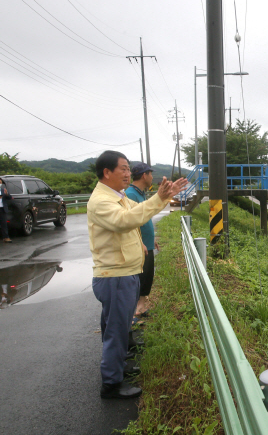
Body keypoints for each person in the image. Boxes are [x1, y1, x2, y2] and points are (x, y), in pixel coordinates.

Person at [88, 150, 186, 399]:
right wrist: (159, 199)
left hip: (124, 272)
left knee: (115, 326)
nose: (127, 173)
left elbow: (139, 211)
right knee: (117, 330)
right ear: (106, 172)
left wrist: (164, 196)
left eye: (128, 168)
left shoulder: (118, 197)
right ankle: (111, 383)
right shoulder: (101, 201)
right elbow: (125, 221)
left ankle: (117, 367)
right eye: (122, 168)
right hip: (116, 276)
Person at [125, 162, 157, 318]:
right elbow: (130, 222)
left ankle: (142, 308)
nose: (152, 177)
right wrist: (142, 242)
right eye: (150, 174)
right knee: (140, 278)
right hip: (140, 246)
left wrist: (152, 238)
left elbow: (144, 218)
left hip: (147, 243)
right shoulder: (131, 194)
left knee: (147, 276)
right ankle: (135, 312)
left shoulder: (140, 193)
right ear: (144, 175)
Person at [0, 178, 13, 243]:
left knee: (4, 224)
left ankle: (6, 237)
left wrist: (7, 194)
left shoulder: (3, 190)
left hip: (2, 209)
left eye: (0, 182)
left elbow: (10, 197)